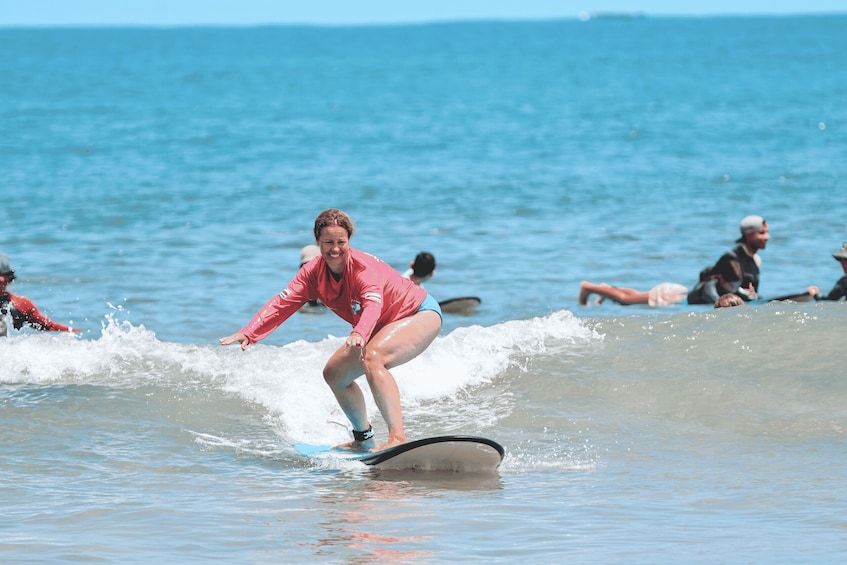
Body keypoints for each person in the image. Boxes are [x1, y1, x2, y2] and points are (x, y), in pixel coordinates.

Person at [220, 209, 443, 452]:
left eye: (341, 242)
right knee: (334, 374)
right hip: (379, 326)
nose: (335, 249)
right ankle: (363, 439)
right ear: (317, 242)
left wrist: (360, 331)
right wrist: (250, 332)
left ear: (349, 240)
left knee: (373, 356)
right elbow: (283, 302)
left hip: (419, 313)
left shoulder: (362, 268)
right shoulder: (311, 273)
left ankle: (398, 438)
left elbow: (373, 304)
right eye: (328, 242)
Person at [687, 215, 770, 305]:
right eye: (762, 233)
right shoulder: (731, 260)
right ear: (749, 235)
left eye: (767, 232)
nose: (767, 237)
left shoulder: (756, 260)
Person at [0, 252, 82, 337]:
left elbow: (48, 325)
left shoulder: (21, 304)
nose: (1, 279)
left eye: (4, 274)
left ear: (10, 277)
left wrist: (73, 331)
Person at [578, 280, 688, 307]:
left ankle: (606, 289)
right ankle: (589, 288)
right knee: (626, 299)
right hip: (672, 296)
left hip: (676, 292)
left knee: (635, 296)